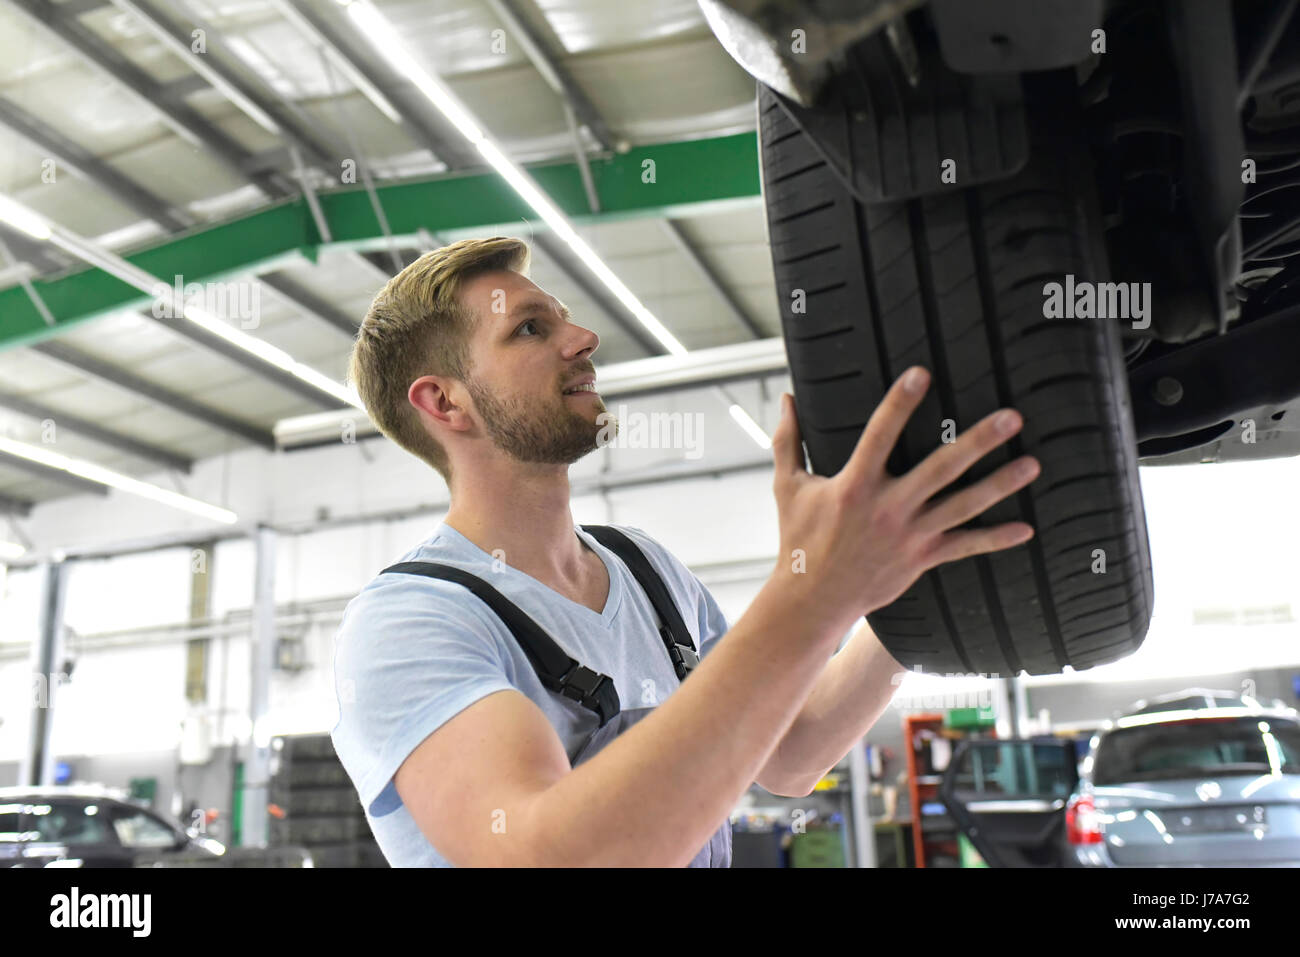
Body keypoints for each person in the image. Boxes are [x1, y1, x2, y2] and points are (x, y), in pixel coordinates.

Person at [330, 236, 1039, 867]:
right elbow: (547, 854)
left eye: (562, 317)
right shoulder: (408, 623)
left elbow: (787, 750)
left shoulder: (645, 568)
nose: (583, 338)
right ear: (445, 404)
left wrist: (916, 579)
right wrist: (816, 592)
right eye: (530, 329)